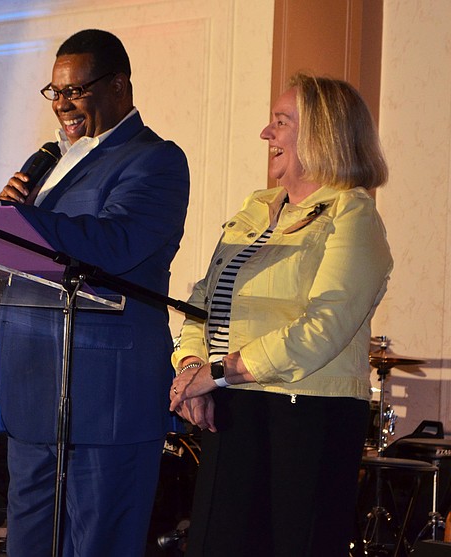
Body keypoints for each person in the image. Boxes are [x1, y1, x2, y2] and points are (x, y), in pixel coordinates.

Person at [0, 30, 189, 556]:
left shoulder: (155, 159)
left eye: (75, 91)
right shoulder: (50, 163)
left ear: (118, 86)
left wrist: (13, 221)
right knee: (27, 544)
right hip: (33, 392)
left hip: (106, 399)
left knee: (99, 544)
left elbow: (115, 244)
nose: (62, 104)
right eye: (55, 92)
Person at [168, 72, 392, 556]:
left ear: (322, 134)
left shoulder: (352, 214)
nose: (266, 133)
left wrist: (218, 373)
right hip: (232, 406)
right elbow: (203, 302)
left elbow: (323, 328)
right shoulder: (257, 208)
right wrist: (191, 369)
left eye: (281, 121)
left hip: (307, 414)